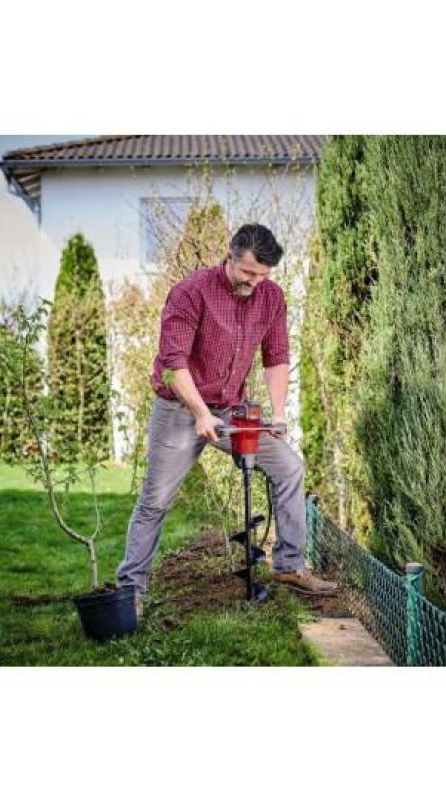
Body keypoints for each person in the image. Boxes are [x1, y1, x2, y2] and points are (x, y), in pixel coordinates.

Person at [116, 223, 338, 621]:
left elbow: (277, 356)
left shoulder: (271, 297)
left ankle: (289, 565)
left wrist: (278, 413)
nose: (254, 282)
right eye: (248, 272)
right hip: (180, 409)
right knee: (155, 500)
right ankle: (130, 590)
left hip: (231, 410)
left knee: (289, 467)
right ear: (230, 256)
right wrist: (200, 412)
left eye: (262, 275)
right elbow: (172, 364)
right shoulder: (192, 291)